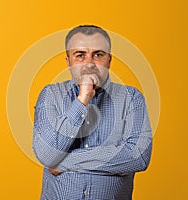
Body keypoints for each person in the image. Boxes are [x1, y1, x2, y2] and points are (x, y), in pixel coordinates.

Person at [33, 25, 152, 200]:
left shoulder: (132, 98)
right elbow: (47, 154)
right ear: (68, 62)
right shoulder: (50, 95)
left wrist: (66, 163)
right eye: (80, 55)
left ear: (109, 60)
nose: (89, 63)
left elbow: (138, 157)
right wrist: (82, 100)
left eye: (98, 55)